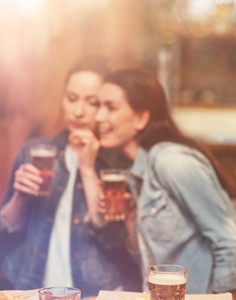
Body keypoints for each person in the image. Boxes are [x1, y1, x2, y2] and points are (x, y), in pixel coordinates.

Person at [91, 67, 236, 300]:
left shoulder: (171, 161)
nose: (98, 117)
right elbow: (153, 258)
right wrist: (131, 216)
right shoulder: (140, 172)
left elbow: (229, 243)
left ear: (141, 118)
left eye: (110, 107)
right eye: (97, 106)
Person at [0, 56, 140, 297]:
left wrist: (87, 168)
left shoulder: (119, 163)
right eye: (71, 99)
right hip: (32, 286)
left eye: (92, 102)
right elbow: (7, 230)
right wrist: (20, 197)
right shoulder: (35, 151)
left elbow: (113, 241)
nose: (78, 111)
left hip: (93, 291)